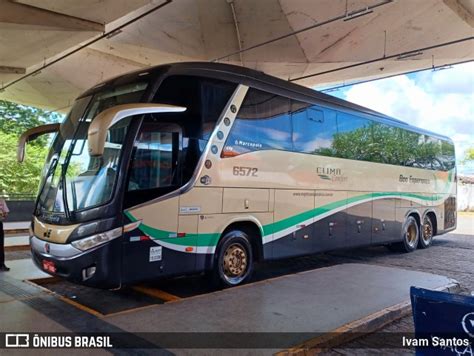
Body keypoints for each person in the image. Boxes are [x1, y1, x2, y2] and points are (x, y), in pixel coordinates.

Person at [0, 197, 10, 272]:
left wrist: (3, 214)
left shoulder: (1, 200)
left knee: (0, 244)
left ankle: (2, 265)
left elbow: (6, 212)